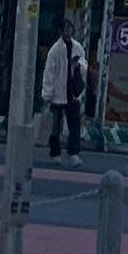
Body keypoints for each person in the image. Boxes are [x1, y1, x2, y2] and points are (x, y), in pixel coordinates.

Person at [42, 21, 87, 159]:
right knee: (55, 125)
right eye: (66, 29)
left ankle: (74, 152)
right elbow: (49, 73)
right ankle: (55, 152)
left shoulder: (77, 47)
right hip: (57, 92)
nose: (68, 32)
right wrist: (47, 94)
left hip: (72, 92)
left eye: (70, 29)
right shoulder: (55, 50)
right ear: (61, 31)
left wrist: (78, 65)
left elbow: (84, 64)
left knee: (74, 124)